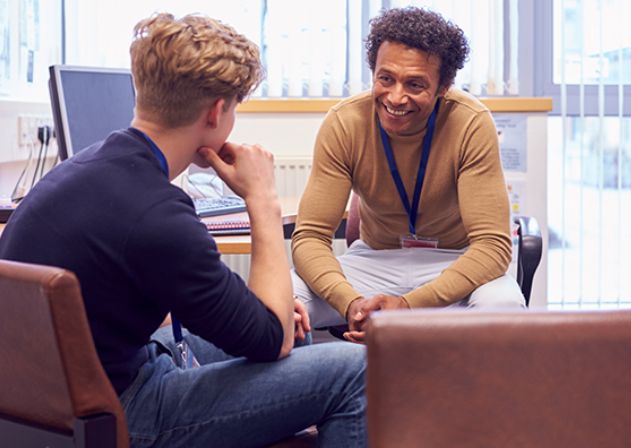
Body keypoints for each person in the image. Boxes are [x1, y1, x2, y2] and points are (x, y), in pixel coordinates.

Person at [0, 13, 366, 447]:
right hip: (124, 413)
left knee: (298, 333)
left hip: (54, 403)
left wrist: (273, 320)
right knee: (357, 369)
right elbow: (270, 341)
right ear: (216, 112)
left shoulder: (84, 167)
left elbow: (258, 325)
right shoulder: (158, 215)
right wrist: (262, 200)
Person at [291, 7, 525, 343]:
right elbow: (310, 237)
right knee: (282, 298)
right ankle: (318, 390)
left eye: (415, 84)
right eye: (386, 78)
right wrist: (352, 303)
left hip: (454, 261)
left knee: (503, 308)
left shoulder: (471, 122)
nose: (396, 97)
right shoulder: (345, 122)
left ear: (443, 86)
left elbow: (492, 247)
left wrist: (408, 306)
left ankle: (472, 397)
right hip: (375, 261)